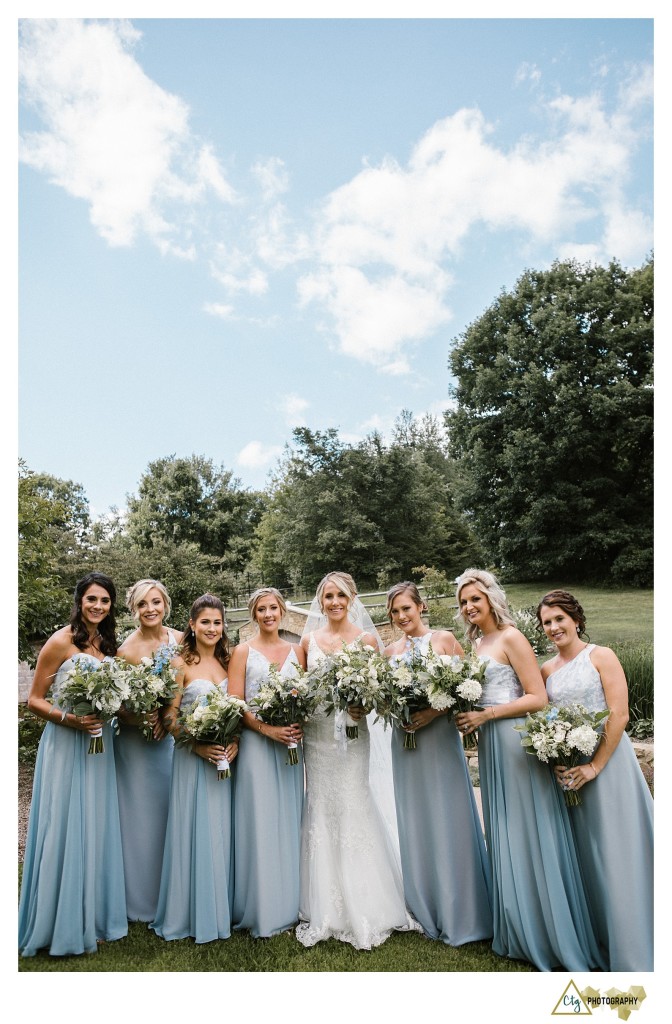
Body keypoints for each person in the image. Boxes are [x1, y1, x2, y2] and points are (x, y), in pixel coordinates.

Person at [454, 569, 604, 972]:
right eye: (464, 601)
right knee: (504, 831)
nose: (469, 607)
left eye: (475, 599)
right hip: (490, 745)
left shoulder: (511, 637)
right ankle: (519, 930)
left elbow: (537, 697)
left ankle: (551, 934)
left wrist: (487, 714)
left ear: (490, 600)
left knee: (530, 831)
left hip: (514, 742)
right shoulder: (479, 641)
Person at [296, 571, 417, 949]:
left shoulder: (366, 640)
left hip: (352, 735)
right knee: (321, 807)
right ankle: (323, 904)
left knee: (352, 804)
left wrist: (362, 706)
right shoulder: (307, 641)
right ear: (320, 600)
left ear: (352, 598)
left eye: (340, 596)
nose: (334, 602)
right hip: (317, 738)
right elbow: (300, 692)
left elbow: (379, 694)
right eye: (327, 596)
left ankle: (366, 902)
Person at [537, 590, 653, 971]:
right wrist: (556, 757)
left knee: (619, 853)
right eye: (547, 623)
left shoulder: (600, 656)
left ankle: (636, 945)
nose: (554, 627)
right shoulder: (547, 671)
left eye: (559, 619)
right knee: (587, 857)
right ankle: (599, 940)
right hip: (571, 771)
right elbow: (546, 723)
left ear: (576, 619)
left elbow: (618, 714)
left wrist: (596, 766)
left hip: (608, 766)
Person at [19, 572, 127, 957]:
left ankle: (93, 915)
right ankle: (59, 920)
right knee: (67, 824)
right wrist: (70, 720)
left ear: (111, 605)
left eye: (105, 600)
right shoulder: (60, 641)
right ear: (79, 600)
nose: (98, 606)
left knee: (95, 824)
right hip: (66, 743)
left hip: (100, 746)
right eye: (91, 599)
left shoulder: (108, 644)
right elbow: (34, 700)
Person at [384, 581, 492, 946]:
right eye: (395, 612)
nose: (401, 617)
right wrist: (397, 712)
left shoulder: (445, 640)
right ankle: (425, 905)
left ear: (421, 606)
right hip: (405, 743)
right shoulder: (389, 652)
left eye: (406, 609)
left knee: (450, 816)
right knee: (416, 820)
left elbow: (466, 688)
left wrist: (431, 712)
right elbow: (383, 699)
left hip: (439, 740)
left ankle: (462, 908)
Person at [152, 594, 236, 943]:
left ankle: (222, 907)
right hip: (191, 757)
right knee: (194, 829)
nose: (212, 628)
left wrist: (236, 742)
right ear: (192, 624)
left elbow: (238, 708)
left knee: (221, 830)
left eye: (217, 622)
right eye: (205, 622)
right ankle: (190, 912)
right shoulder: (179, 662)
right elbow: (168, 716)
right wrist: (197, 744)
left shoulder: (228, 661)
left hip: (224, 760)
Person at [228, 587, 305, 937]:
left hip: (290, 746)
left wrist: (295, 724)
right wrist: (266, 729)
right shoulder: (242, 651)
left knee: (289, 820)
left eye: (274, 608)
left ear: (283, 611)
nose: (268, 614)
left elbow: (305, 695)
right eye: (261, 609)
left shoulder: (298, 650)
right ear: (253, 614)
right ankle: (261, 907)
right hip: (259, 746)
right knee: (259, 821)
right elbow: (236, 703)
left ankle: (290, 903)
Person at [115, 579, 182, 923]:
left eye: (156, 602)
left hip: (167, 740)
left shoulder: (179, 640)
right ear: (134, 610)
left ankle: (171, 890)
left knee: (168, 813)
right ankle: (141, 900)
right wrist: (143, 716)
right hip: (136, 744)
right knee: (140, 818)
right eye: (143, 604)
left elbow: (186, 687)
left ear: (165, 605)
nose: (150, 609)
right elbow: (117, 707)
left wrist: (168, 718)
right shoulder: (126, 651)